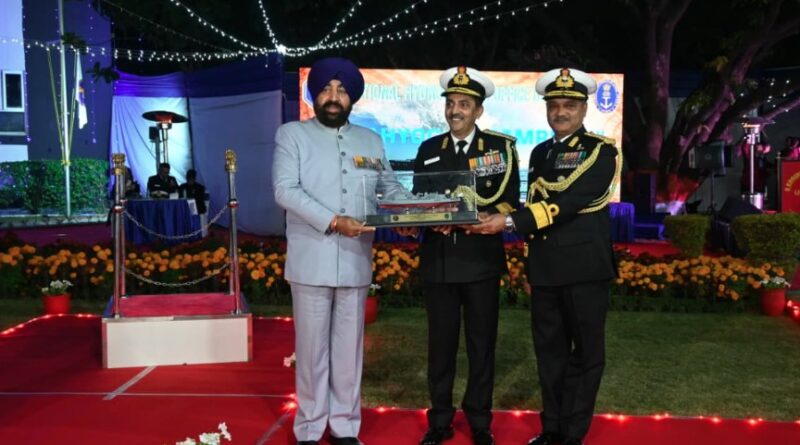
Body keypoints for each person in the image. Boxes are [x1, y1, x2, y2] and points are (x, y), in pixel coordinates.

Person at [469, 68, 621, 445]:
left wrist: (509, 222)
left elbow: (569, 202)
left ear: (584, 109)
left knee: (586, 354)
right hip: (546, 269)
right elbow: (537, 201)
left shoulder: (601, 151)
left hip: (584, 269)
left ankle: (573, 433)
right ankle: (552, 428)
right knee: (549, 354)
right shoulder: (540, 152)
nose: (560, 112)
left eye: (569, 105)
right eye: (554, 105)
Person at [272, 57, 403, 445]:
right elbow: (284, 190)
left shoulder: (371, 140)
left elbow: (390, 190)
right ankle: (310, 429)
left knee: (349, 353)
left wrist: (420, 211)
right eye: (326, 89)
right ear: (314, 95)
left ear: (352, 98)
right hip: (311, 260)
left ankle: (345, 427)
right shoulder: (292, 135)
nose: (333, 97)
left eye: (342, 90)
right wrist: (333, 220)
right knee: (311, 351)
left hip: (354, 261)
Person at [411, 66, 520, 445]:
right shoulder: (429, 149)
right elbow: (418, 199)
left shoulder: (499, 149)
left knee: (481, 346)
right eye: (451, 103)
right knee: (440, 347)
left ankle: (479, 422)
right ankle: (439, 421)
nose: (455, 110)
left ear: (478, 111)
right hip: (439, 262)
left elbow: (509, 198)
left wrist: (479, 218)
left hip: (480, 261)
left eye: (464, 104)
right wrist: (425, 220)